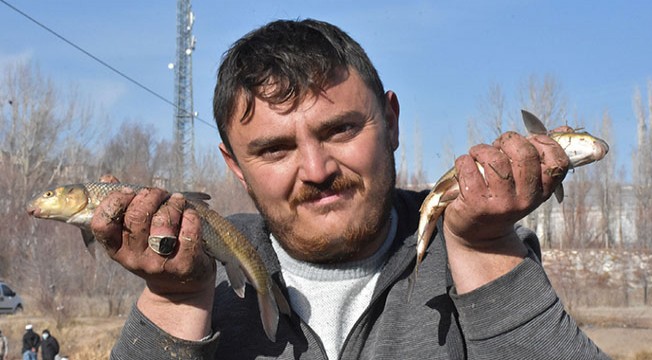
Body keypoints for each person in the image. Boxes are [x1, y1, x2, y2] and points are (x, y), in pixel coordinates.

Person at [91, 19, 609, 359]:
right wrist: (176, 303)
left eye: (340, 130)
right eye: (274, 149)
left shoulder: (481, 249)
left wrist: (486, 250)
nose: (316, 170)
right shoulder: (206, 279)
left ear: (391, 121)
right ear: (235, 166)